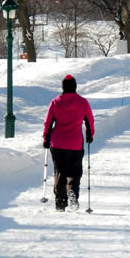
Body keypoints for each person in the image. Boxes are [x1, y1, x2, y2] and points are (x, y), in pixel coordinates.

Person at [43, 74, 94, 212]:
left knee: (60, 172)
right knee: (75, 172)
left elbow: (48, 122)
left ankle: (60, 201)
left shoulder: (55, 102)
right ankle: (72, 192)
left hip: (57, 143)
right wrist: (90, 135)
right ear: (75, 87)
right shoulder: (83, 102)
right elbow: (89, 121)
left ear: (63, 87)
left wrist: (46, 138)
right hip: (75, 144)